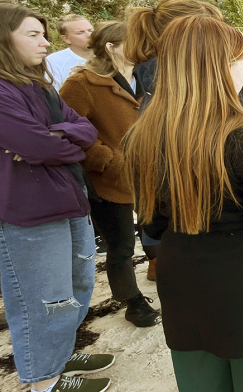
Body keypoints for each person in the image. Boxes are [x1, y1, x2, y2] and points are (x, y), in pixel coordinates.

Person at [124, 15, 243, 392]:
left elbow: (151, 224)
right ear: (216, 71)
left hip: (184, 288)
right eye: (238, 66)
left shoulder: (141, 137)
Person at [0, 3, 114, 392]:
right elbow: (35, 144)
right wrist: (58, 139)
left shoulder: (40, 86)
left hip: (69, 197)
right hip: (28, 211)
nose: (45, 42)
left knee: (77, 285)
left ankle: (60, 356)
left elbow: (84, 130)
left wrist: (58, 136)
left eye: (44, 34)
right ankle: (43, 381)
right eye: (33, 35)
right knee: (42, 300)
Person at [59, 21, 161, 328]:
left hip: (149, 173)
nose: (141, 48)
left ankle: (161, 271)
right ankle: (131, 301)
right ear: (110, 47)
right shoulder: (82, 83)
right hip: (108, 180)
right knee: (121, 246)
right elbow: (68, 131)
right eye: (133, 42)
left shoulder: (144, 77)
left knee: (157, 229)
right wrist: (106, 160)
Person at [125, 0, 227, 276]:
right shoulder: (177, 95)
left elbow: (151, 216)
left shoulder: (153, 89)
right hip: (205, 242)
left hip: (178, 240)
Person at [46, 14, 94, 91]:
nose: (89, 35)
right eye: (80, 32)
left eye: (90, 30)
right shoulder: (54, 61)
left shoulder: (109, 55)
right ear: (66, 39)